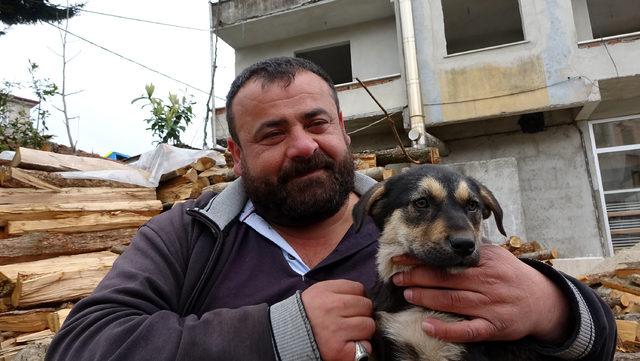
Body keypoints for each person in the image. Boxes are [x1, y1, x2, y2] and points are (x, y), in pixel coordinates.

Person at [45, 57, 616, 361]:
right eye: (273, 133)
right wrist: (275, 336)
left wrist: (554, 307)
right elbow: (81, 348)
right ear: (236, 156)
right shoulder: (187, 237)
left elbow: (596, 339)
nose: (303, 145)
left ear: (342, 129)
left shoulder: (422, 221)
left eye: (317, 123)